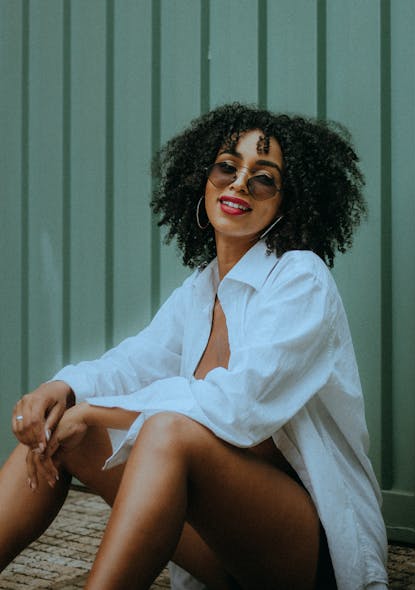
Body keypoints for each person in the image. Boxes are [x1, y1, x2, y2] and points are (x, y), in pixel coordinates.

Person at [0, 103, 388, 590]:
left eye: (264, 177)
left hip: (308, 556)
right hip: (223, 558)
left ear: (289, 201)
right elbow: (136, 362)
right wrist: (62, 390)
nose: (240, 183)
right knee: (61, 429)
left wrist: (98, 413)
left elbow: (240, 404)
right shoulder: (201, 290)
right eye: (227, 166)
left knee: (168, 431)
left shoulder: (300, 279)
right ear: (201, 179)